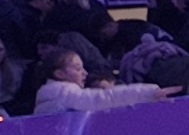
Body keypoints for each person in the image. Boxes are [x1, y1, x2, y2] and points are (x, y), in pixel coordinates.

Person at [27, 47, 168, 114]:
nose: (84, 73)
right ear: (59, 74)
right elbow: (103, 99)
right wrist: (149, 92)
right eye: (77, 69)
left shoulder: (51, 94)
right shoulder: (63, 92)